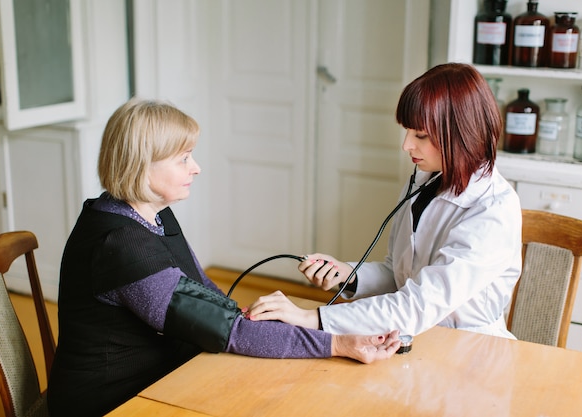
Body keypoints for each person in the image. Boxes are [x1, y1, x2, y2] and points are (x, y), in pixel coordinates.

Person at [46, 98, 401, 417]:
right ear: (141, 166)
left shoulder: (153, 213)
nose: (196, 168)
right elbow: (225, 330)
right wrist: (337, 344)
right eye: (183, 159)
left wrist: (248, 316)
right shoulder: (120, 245)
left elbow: (199, 287)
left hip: (164, 375)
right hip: (112, 402)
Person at [244, 63, 522, 340]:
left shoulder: (494, 211)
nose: (406, 145)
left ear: (461, 133)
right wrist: (348, 275)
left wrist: (310, 317)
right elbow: (400, 274)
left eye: (420, 135)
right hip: (412, 339)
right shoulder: (425, 181)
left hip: (468, 351)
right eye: (408, 132)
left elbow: (417, 306)